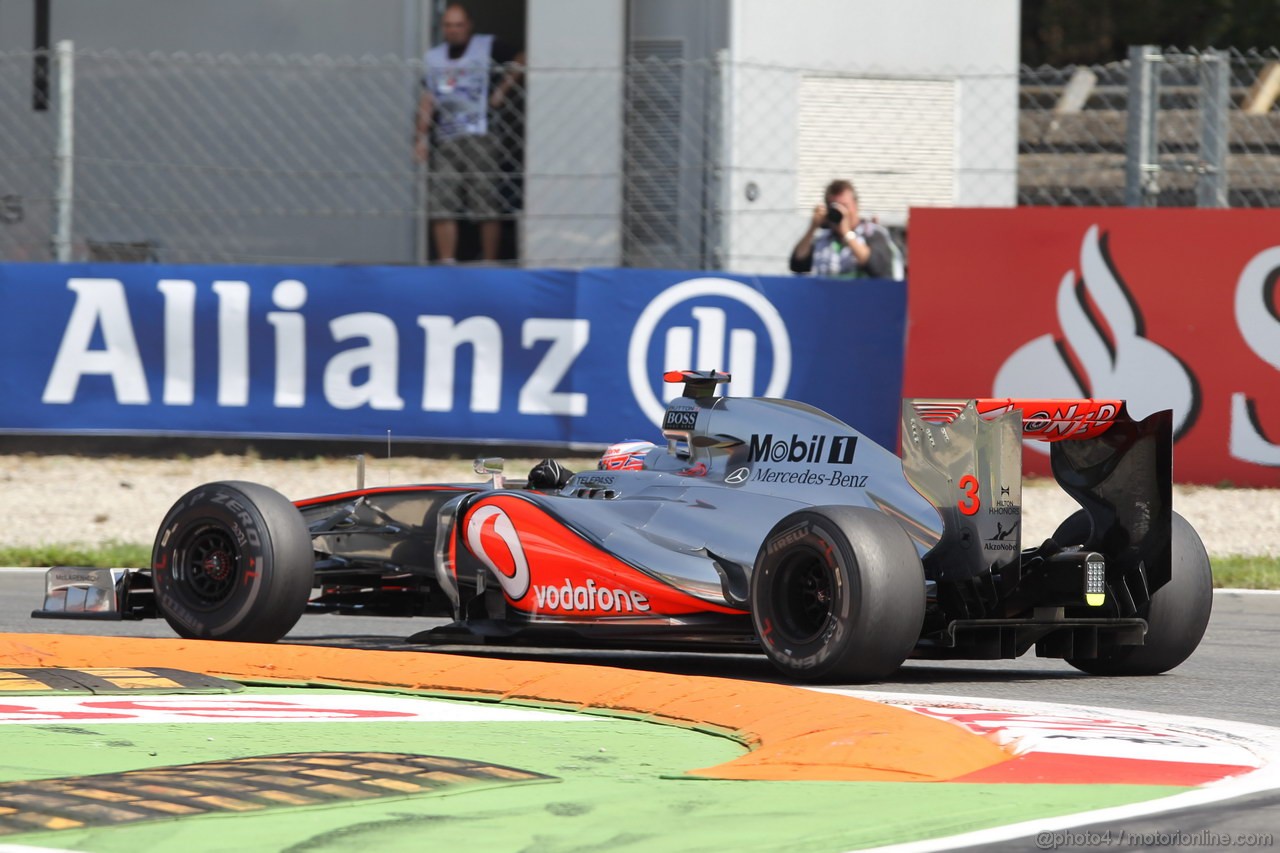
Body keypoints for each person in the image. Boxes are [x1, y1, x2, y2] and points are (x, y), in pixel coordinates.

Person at [415, 3, 524, 263]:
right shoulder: (434, 58)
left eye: (459, 25)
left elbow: (522, 58)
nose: (454, 31)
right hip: (447, 136)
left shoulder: (487, 46)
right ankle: (447, 260)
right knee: (442, 200)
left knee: (485, 200)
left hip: (481, 133)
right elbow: (428, 98)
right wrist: (421, 136)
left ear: (469, 26)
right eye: (449, 26)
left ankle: (489, 260)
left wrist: (501, 91)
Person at [789, 179, 904, 280]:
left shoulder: (873, 233)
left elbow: (877, 266)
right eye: (835, 206)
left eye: (845, 206)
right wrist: (812, 227)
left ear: (856, 205)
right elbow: (797, 265)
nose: (841, 211)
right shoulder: (823, 239)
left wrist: (846, 232)